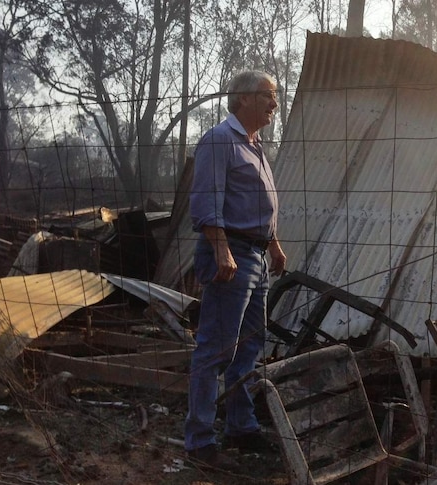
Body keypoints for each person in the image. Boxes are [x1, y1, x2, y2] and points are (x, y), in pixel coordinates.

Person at [185, 70, 287, 469]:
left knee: (250, 346)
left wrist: (273, 245)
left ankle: (241, 427)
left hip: (256, 256)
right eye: (268, 96)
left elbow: (260, 204)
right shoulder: (218, 141)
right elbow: (206, 202)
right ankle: (199, 441)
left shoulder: (255, 145)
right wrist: (222, 250)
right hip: (232, 257)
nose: (274, 104)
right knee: (216, 348)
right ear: (243, 98)